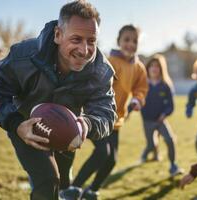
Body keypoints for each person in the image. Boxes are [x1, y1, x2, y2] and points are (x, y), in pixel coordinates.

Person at [0, 1, 117, 199]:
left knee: (63, 184)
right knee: (47, 180)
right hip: (26, 125)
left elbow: (106, 112)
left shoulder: (101, 71)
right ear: (58, 35)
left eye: (91, 41)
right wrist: (16, 124)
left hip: (68, 131)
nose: (85, 49)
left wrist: (88, 123)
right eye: (76, 39)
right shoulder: (24, 56)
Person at [64, 24, 148, 199]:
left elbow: (141, 87)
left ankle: (92, 190)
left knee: (112, 160)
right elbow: (96, 84)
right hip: (97, 116)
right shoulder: (110, 61)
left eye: (135, 41)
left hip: (116, 122)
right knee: (103, 152)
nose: (130, 44)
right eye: (126, 40)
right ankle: (73, 189)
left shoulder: (139, 67)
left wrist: (137, 99)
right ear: (119, 41)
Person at [140, 54, 183, 176]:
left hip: (160, 120)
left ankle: (173, 166)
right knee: (151, 144)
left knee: (170, 140)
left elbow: (171, 106)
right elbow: (137, 99)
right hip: (147, 121)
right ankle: (147, 153)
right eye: (152, 66)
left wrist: (164, 114)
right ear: (148, 68)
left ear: (161, 69)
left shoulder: (166, 86)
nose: (154, 69)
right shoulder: (143, 84)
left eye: (157, 66)